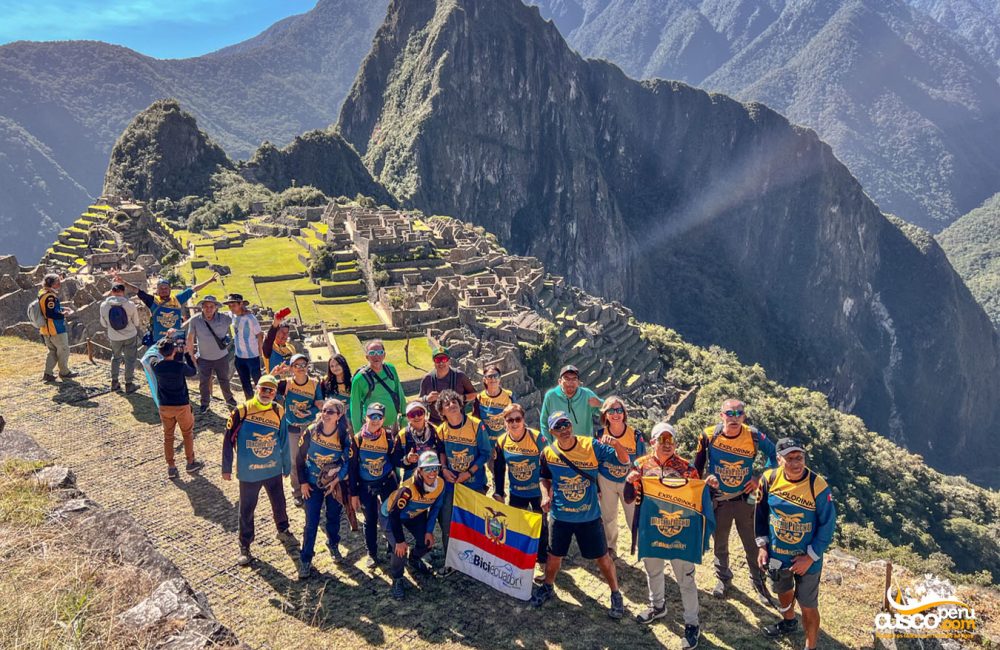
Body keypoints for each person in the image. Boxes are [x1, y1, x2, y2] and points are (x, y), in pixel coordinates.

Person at [625, 423, 718, 647]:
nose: (667, 445)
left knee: (685, 578)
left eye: (670, 440)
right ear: (652, 442)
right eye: (662, 440)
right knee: (653, 571)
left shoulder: (687, 469)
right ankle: (657, 606)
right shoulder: (640, 464)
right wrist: (630, 481)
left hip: (680, 531)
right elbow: (629, 498)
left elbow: (700, 501)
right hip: (652, 528)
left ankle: (692, 623)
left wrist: (710, 488)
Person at [531, 411, 630, 618]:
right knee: (554, 556)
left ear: (571, 425)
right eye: (558, 427)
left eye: (566, 424)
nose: (564, 430)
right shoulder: (548, 453)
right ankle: (548, 586)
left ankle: (615, 593)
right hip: (560, 516)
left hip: (589, 516)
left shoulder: (591, 445)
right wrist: (544, 495)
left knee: (602, 558)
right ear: (552, 431)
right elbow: (544, 477)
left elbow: (623, 462)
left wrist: (617, 445)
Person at [756, 438, 836, 650]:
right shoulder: (768, 479)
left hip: (808, 558)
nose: (796, 463)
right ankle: (789, 621)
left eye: (799, 457)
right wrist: (762, 546)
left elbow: (827, 525)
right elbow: (761, 515)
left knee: (808, 605)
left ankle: (810, 647)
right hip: (777, 553)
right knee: (782, 589)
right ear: (779, 460)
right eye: (789, 458)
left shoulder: (816, 485)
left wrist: (810, 557)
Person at [694, 398, 777, 601]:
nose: (734, 418)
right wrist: (704, 483)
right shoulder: (709, 435)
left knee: (752, 543)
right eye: (729, 413)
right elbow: (697, 466)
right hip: (719, 500)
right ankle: (723, 578)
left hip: (745, 499)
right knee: (720, 542)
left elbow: (776, 456)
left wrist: (760, 478)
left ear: (744, 416)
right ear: (721, 415)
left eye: (739, 413)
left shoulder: (754, 436)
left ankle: (758, 580)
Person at [222, 375, 295, 566]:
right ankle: (245, 545)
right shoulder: (242, 410)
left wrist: (287, 465)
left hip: (273, 469)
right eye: (264, 389)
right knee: (246, 509)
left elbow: (284, 440)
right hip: (249, 472)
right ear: (257, 389)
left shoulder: (279, 411)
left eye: (271, 390)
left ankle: (283, 529)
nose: (267, 393)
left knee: (279, 503)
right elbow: (228, 439)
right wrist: (226, 467)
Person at [434, 389, 492, 574]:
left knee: (475, 522)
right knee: (447, 521)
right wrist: (443, 469)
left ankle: (478, 560)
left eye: (454, 401)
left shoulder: (476, 425)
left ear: (460, 404)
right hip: (451, 483)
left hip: (474, 482)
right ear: (441, 411)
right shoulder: (441, 430)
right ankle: (451, 561)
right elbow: (441, 450)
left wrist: (469, 472)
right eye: (446, 403)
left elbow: (486, 453)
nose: (451, 405)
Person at [295, 399, 353, 579]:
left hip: (333, 485)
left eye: (331, 412)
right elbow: (299, 458)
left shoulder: (344, 435)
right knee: (311, 522)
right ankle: (305, 559)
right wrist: (303, 483)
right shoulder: (312, 431)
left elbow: (347, 461)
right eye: (325, 410)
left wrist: (337, 480)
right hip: (311, 485)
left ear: (339, 415)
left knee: (333, 517)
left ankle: (333, 544)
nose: (326, 415)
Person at [381, 451, 446, 599]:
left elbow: (435, 508)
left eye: (435, 468)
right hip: (390, 515)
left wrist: (429, 530)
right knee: (400, 551)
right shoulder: (408, 489)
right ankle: (397, 578)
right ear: (420, 470)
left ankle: (414, 559)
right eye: (428, 468)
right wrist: (399, 540)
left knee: (426, 542)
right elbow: (394, 514)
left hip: (413, 515)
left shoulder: (440, 484)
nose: (433, 472)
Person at [491, 402, 548, 565]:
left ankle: (542, 555)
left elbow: (549, 464)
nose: (514, 423)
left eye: (518, 419)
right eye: (510, 420)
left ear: (524, 419)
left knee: (542, 524)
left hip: (537, 491)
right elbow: (499, 469)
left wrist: (549, 490)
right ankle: (521, 553)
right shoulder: (501, 441)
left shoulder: (537, 438)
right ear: (505, 422)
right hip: (517, 492)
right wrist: (499, 492)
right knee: (518, 525)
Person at [349, 403, 402, 569]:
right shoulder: (357, 439)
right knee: (370, 519)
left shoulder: (387, 436)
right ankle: (371, 553)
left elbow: (394, 461)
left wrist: (406, 461)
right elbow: (352, 468)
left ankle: (391, 545)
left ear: (383, 419)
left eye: (379, 416)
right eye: (372, 416)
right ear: (366, 417)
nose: (375, 420)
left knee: (392, 515)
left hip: (387, 481)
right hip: (366, 485)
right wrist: (354, 493)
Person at [596, 396, 647, 557]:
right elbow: (594, 461)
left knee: (634, 517)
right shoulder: (599, 434)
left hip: (629, 482)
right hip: (606, 481)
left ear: (624, 413)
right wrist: (596, 485)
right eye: (611, 411)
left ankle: (642, 547)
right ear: (605, 415)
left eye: (619, 410)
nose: (615, 414)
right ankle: (611, 547)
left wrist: (639, 480)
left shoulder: (635, 435)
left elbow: (643, 461)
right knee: (608, 516)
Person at [149, 338, 205, 479]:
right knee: (187, 434)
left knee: (168, 436)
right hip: (181, 405)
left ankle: (171, 466)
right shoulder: (179, 367)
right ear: (173, 351)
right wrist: (185, 354)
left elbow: (152, 356)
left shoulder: (156, 366)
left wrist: (162, 343)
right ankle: (190, 462)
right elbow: (192, 371)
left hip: (165, 406)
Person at [115, 272, 218, 344]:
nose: (164, 290)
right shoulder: (153, 301)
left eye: (166, 288)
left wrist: (209, 281)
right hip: (159, 341)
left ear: (170, 290)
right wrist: (124, 283)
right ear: (158, 291)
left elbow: (193, 289)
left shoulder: (177, 300)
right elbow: (137, 291)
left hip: (176, 339)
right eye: (161, 288)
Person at [276, 353, 323, 507]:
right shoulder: (287, 384)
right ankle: (297, 491)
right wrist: (273, 374)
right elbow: (263, 388)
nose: (301, 368)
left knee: (312, 458)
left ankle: (313, 486)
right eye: (297, 365)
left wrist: (311, 412)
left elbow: (320, 405)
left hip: (310, 427)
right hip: (292, 427)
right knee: (294, 461)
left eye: (304, 365)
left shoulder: (315, 384)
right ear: (291, 368)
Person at [187, 295, 237, 413]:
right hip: (204, 358)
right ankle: (205, 403)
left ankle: (229, 400)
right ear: (202, 308)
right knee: (204, 382)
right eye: (206, 307)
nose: (208, 309)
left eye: (211, 306)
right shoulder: (195, 320)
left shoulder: (224, 318)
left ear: (216, 308)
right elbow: (190, 338)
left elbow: (238, 316)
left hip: (221, 357)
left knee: (224, 379)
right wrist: (191, 355)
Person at [349, 339, 407, 434]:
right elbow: (355, 408)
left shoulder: (391, 369)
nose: (376, 356)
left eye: (380, 352)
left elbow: (399, 392)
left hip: (393, 425)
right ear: (367, 357)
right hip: (373, 428)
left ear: (384, 355)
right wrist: (358, 434)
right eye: (372, 353)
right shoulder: (359, 379)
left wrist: (404, 416)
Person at [538, 365, 601, 443]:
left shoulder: (586, 394)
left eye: (574, 379)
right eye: (567, 379)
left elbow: (605, 412)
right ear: (560, 382)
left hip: (585, 447)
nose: (570, 382)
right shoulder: (551, 396)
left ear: (578, 382)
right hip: (560, 448)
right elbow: (544, 423)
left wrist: (600, 404)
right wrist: (549, 445)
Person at [99, 282, 141, 392]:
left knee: (115, 358)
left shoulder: (104, 305)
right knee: (130, 359)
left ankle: (114, 382)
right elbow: (136, 322)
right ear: (123, 292)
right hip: (130, 335)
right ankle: (129, 383)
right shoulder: (130, 304)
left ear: (112, 292)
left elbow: (103, 324)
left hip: (114, 336)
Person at [419, 346, 476, 425]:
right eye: (438, 360)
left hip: (458, 421)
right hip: (436, 423)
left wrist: (461, 398)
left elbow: (474, 394)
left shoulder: (460, 376)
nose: (441, 363)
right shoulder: (427, 379)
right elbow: (419, 401)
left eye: (444, 359)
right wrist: (427, 399)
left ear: (449, 361)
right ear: (434, 362)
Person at [37, 273, 76, 381]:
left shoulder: (42, 293)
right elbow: (51, 314)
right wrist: (64, 314)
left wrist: (62, 307)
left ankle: (48, 373)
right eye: (57, 282)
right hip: (55, 328)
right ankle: (64, 372)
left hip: (45, 329)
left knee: (52, 351)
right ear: (52, 284)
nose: (59, 284)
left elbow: (47, 309)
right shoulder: (50, 296)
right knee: (64, 349)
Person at [226, 293, 263, 400]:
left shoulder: (251, 318)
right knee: (245, 382)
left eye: (233, 305)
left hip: (252, 356)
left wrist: (260, 351)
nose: (231, 308)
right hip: (239, 356)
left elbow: (259, 335)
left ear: (240, 304)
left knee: (258, 382)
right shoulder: (232, 315)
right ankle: (249, 403)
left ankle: (264, 402)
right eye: (229, 305)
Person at [397, 401, 444, 481]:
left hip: (434, 468)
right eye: (412, 414)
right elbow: (395, 458)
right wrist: (407, 460)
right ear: (408, 418)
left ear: (425, 414)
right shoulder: (402, 434)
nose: (416, 417)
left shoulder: (436, 430)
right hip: (413, 470)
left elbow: (443, 451)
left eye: (419, 413)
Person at [472, 364, 513, 449]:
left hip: (506, 443)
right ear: (485, 379)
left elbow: (515, 418)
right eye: (489, 376)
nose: (493, 379)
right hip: (486, 443)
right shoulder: (479, 398)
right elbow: (475, 421)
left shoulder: (509, 396)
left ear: (500, 378)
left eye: (496, 376)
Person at [141, 329, 185, 408]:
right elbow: (192, 371)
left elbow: (152, 351)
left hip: (165, 402)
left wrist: (166, 338)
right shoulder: (179, 367)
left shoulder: (155, 364)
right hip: (177, 402)